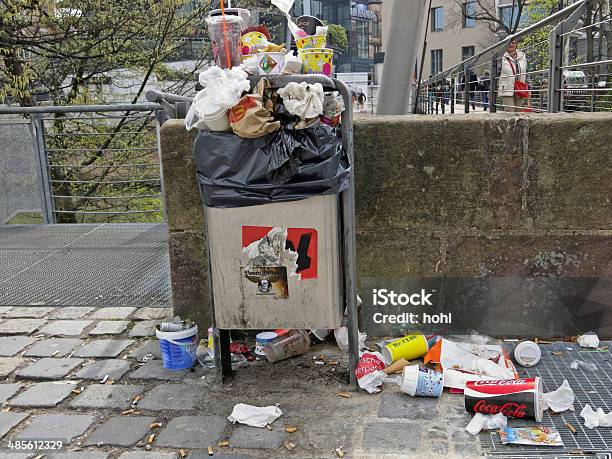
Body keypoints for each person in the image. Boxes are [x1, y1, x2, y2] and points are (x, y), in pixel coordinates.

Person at [498, 38, 528, 112]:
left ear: (516, 44)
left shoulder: (522, 55)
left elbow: (526, 72)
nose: (511, 44)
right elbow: (495, 74)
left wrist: (529, 88)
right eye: (509, 43)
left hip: (520, 88)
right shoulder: (501, 56)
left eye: (513, 43)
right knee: (510, 111)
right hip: (506, 88)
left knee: (518, 111)